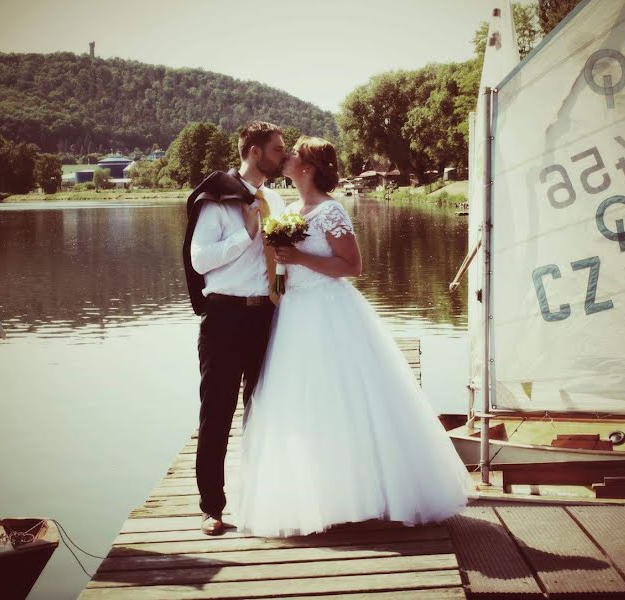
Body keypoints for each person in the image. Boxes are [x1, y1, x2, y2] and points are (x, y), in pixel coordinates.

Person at [237, 136, 471, 537]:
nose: (288, 157)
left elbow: (353, 266)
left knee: (346, 397)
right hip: (295, 315)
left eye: (294, 154)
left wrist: (300, 258)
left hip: (329, 312)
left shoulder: (330, 211)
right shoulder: (291, 209)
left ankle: (370, 494)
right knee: (304, 401)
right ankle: (325, 496)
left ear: (307, 168)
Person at [185, 121, 287, 536]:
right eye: (278, 149)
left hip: (267, 316)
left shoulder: (276, 200)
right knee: (218, 414)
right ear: (255, 152)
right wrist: (245, 235)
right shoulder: (217, 201)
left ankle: (261, 498)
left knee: (263, 410)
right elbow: (199, 260)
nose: (284, 155)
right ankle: (212, 506)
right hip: (224, 319)